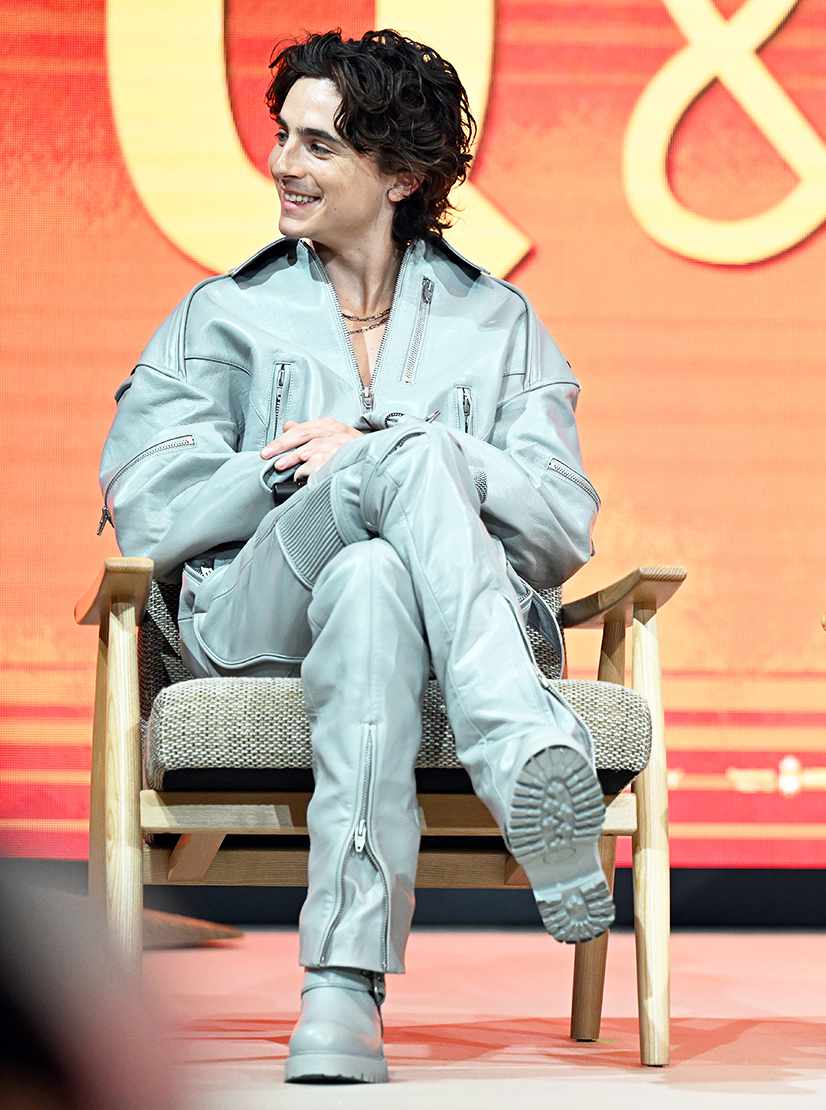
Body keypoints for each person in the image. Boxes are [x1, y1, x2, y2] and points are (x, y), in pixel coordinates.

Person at [97, 30, 612, 1085]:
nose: (284, 164)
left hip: (418, 629)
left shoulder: (500, 321)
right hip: (253, 616)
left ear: (400, 176)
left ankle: (340, 996)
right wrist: (320, 473)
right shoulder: (223, 311)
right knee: (394, 465)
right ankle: (518, 744)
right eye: (283, 137)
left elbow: (563, 525)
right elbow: (146, 506)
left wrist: (419, 459)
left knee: (376, 577)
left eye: (319, 145)